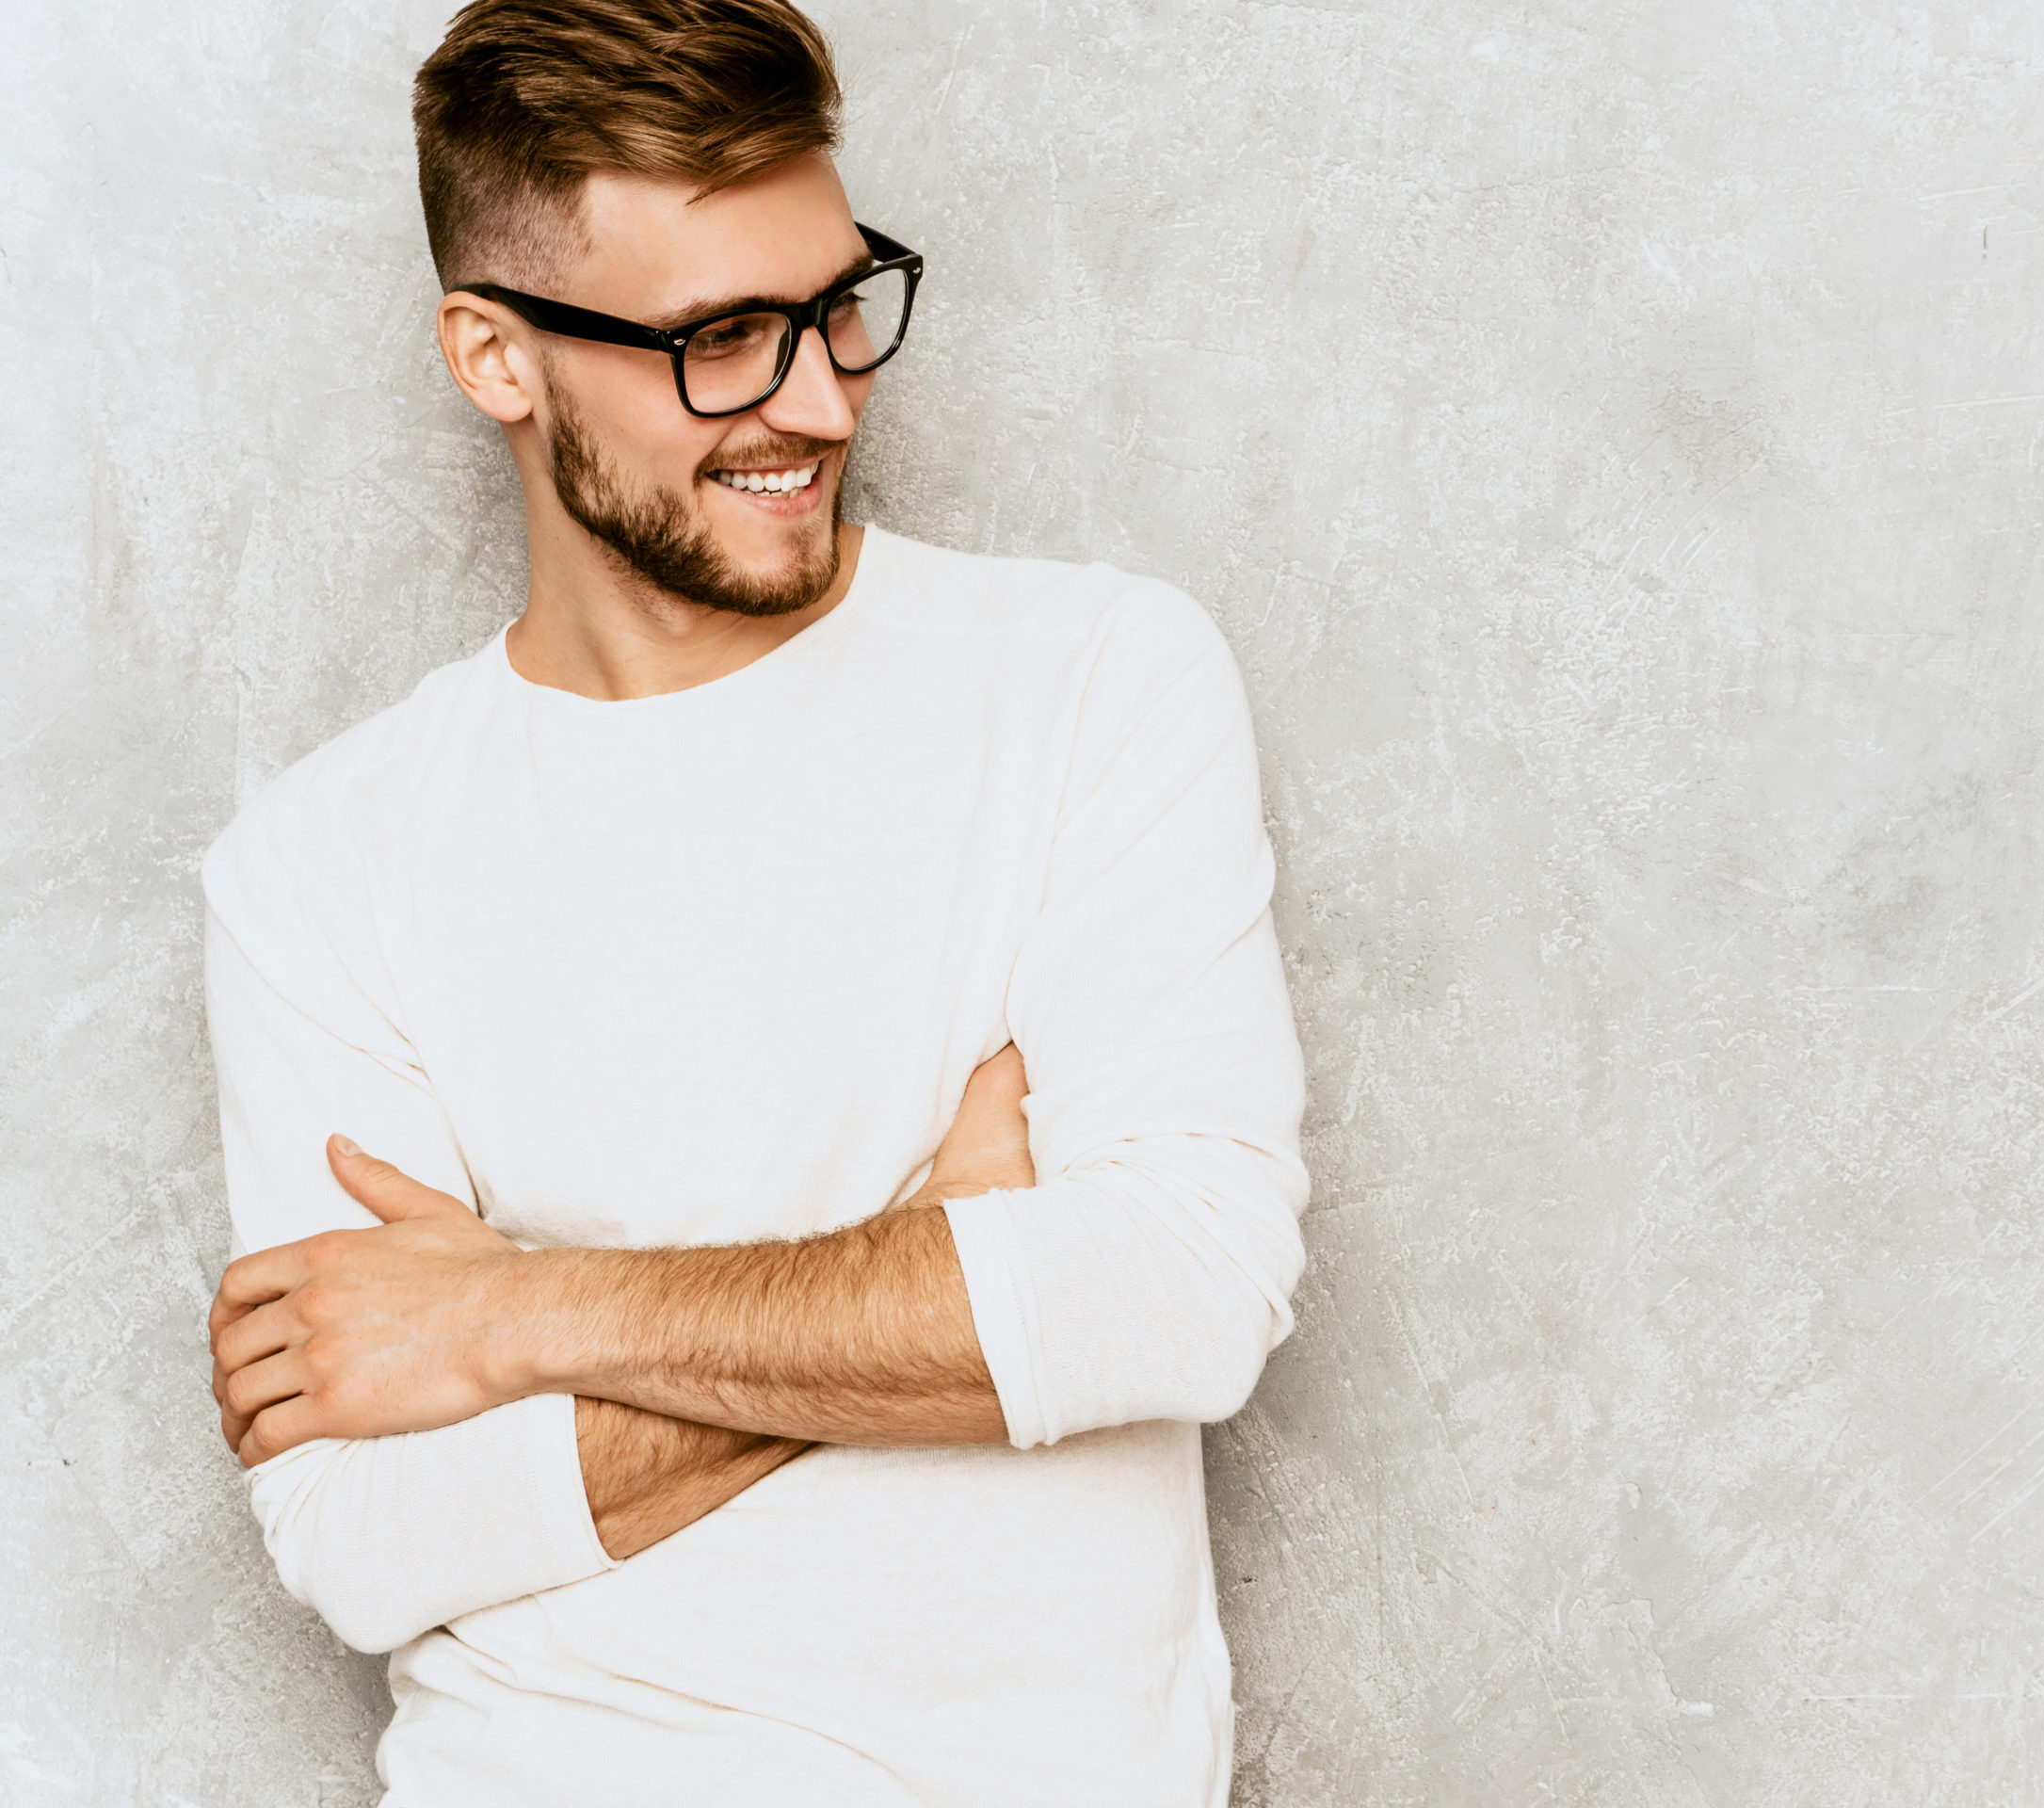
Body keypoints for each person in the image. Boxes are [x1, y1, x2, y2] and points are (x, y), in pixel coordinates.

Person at [197, 1, 1310, 1800]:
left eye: (835, 303)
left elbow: (1182, 1288)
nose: (816, 398)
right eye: (719, 338)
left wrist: (514, 1315)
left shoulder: (1092, 680)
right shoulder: (322, 869)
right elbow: (361, 1535)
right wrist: (939, 1266)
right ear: (495, 355)